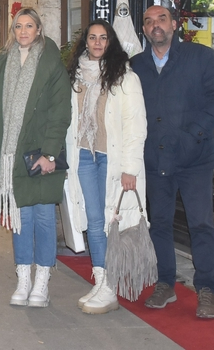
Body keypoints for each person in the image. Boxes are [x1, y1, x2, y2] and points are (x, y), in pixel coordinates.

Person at [130, 5, 214, 319]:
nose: (155, 26)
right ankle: (165, 283)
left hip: (194, 159)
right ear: (144, 30)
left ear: (174, 24)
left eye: (161, 19)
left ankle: (206, 289)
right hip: (155, 161)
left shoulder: (199, 58)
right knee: (159, 224)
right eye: (148, 21)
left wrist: (195, 133)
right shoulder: (136, 66)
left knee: (200, 225)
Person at [0, 7, 71, 308]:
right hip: (10, 153)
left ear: (39, 30)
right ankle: (23, 279)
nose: (23, 31)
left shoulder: (51, 63)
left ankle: (42, 282)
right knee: (20, 218)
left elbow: (60, 112)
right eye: (18, 26)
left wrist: (50, 153)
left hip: (39, 152)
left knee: (45, 218)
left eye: (29, 26)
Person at [64, 20, 147, 314]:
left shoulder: (125, 78)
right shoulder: (77, 77)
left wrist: (130, 169)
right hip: (85, 156)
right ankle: (101, 280)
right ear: (85, 42)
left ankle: (111, 285)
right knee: (94, 221)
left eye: (103, 38)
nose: (97, 42)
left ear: (111, 42)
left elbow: (136, 127)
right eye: (92, 37)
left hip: (113, 161)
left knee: (112, 220)